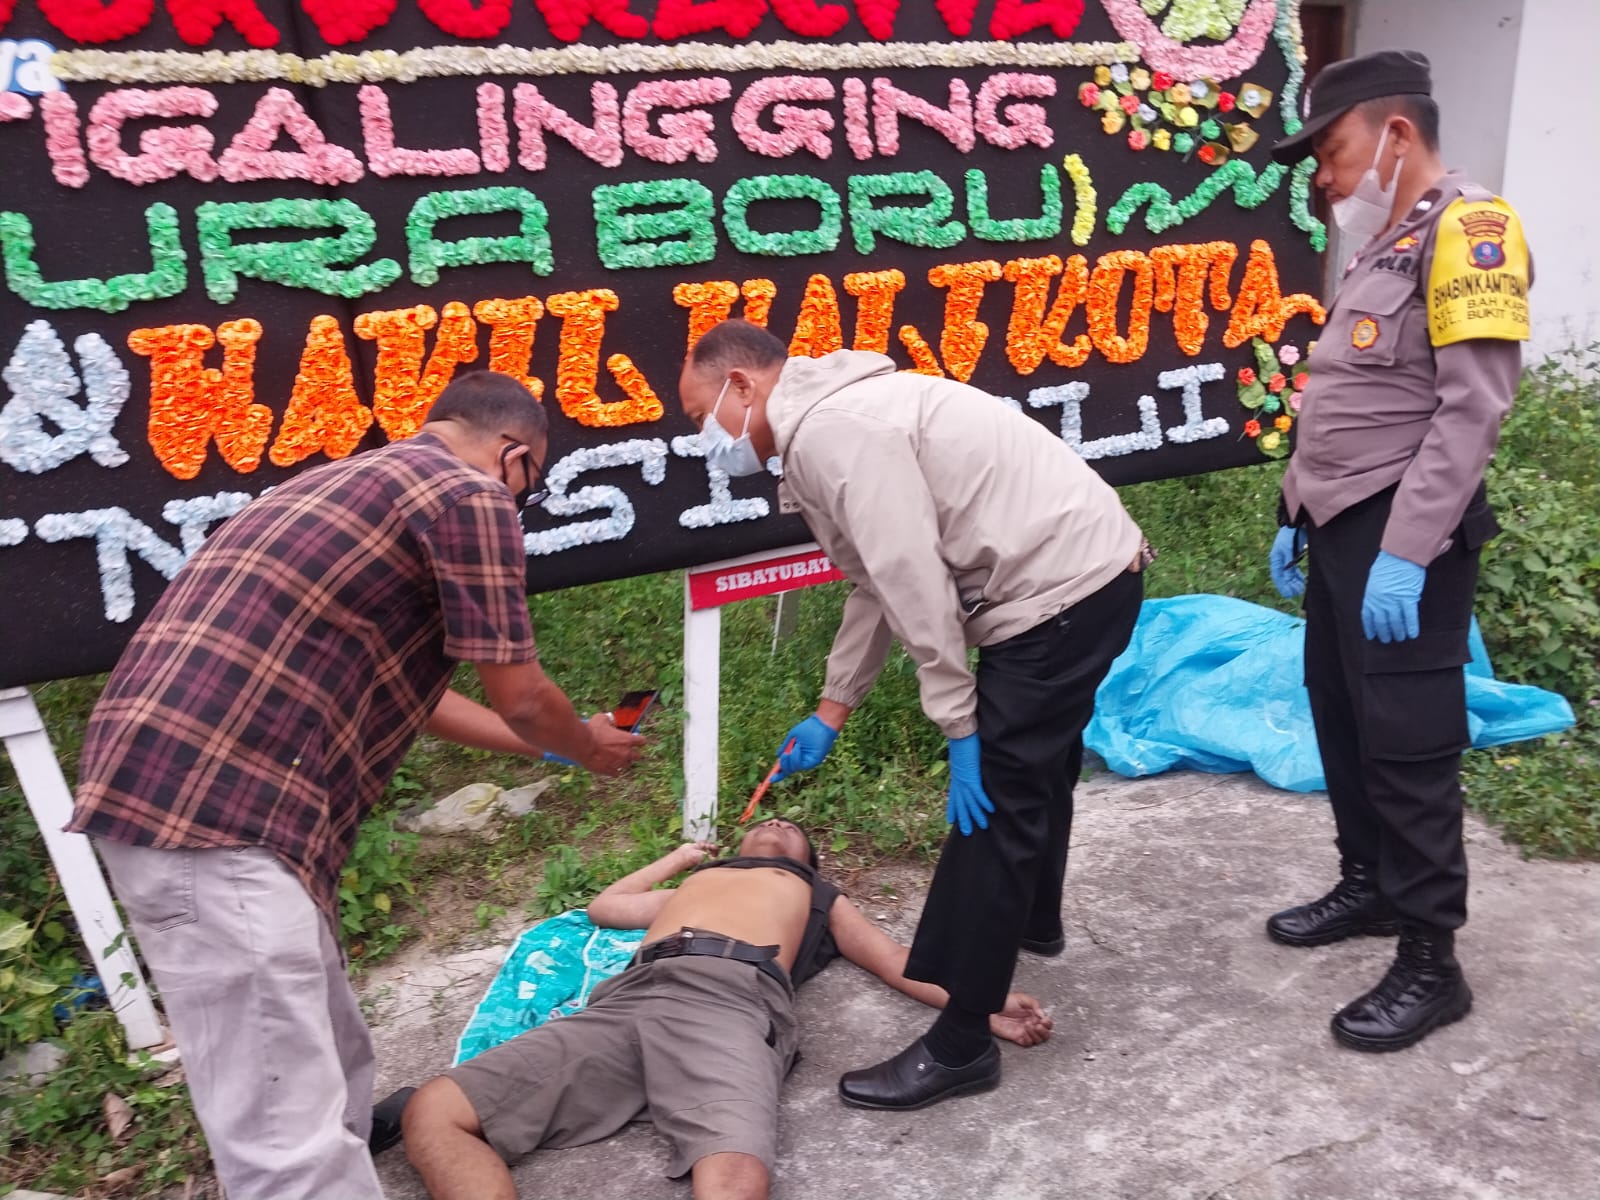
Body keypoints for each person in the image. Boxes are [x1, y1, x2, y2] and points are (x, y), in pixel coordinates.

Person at [67, 370, 645, 1200]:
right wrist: (586, 745)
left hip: (189, 785)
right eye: (531, 484)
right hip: (220, 804)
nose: (521, 501)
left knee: (320, 1027)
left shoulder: (342, 484)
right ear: (513, 454)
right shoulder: (469, 495)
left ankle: (346, 1130)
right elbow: (520, 694)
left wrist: (555, 750)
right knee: (280, 1131)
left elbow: (427, 700)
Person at [674, 321, 1147, 1110]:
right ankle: (1034, 921)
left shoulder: (832, 432)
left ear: (744, 385)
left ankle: (962, 1045)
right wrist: (832, 709)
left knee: (995, 808)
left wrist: (959, 724)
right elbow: (876, 579)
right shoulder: (833, 416)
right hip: (1091, 576)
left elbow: (913, 580)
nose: (705, 439)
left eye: (701, 416)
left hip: (1057, 596)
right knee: (1038, 765)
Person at [1264, 50, 1531, 1051]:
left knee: (1409, 745)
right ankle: (1369, 883)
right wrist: (1294, 509)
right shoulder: (1385, 241)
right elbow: (1351, 395)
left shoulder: (1472, 230)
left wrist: (1409, 550)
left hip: (1403, 531)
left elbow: (1471, 410)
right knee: (1342, 713)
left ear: (1397, 134)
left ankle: (1430, 960)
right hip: (1340, 527)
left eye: (1332, 153)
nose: (1326, 179)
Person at [401, 818, 1053, 1200]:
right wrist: (679, 858)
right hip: (628, 1000)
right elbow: (605, 907)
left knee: (736, 1175)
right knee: (432, 1109)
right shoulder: (699, 880)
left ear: (809, 861)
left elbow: (895, 960)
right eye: (766, 820)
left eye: (792, 829)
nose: (777, 823)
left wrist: (984, 1004)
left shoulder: (817, 894)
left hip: (730, 1002)